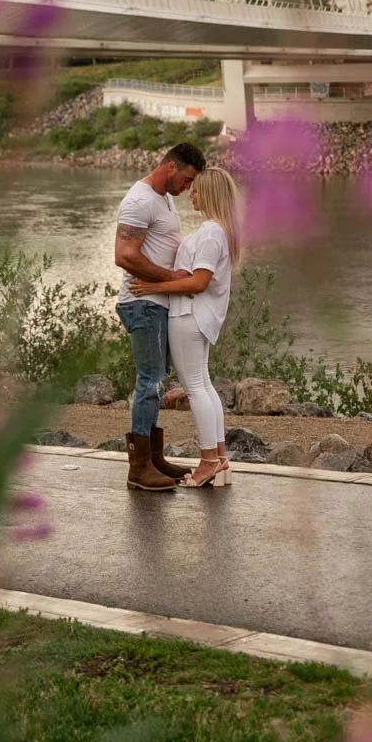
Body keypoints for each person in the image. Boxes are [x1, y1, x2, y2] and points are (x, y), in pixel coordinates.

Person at [129, 167, 242, 488]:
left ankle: (208, 461)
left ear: (209, 194)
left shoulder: (210, 234)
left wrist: (153, 287)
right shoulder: (219, 232)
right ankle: (219, 460)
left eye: (196, 190)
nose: (190, 194)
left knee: (195, 387)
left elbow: (199, 281)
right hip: (197, 318)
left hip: (188, 316)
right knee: (203, 385)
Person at [114, 142, 206, 491]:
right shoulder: (139, 201)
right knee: (149, 381)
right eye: (186, 180)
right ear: (171, 168)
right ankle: (138, 469)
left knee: (156, 380)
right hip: (142, 303)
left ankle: (153, 457)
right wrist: (172, 279)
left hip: (157, 302)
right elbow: (124, 255)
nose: (187, 189)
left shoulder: (163, 198)